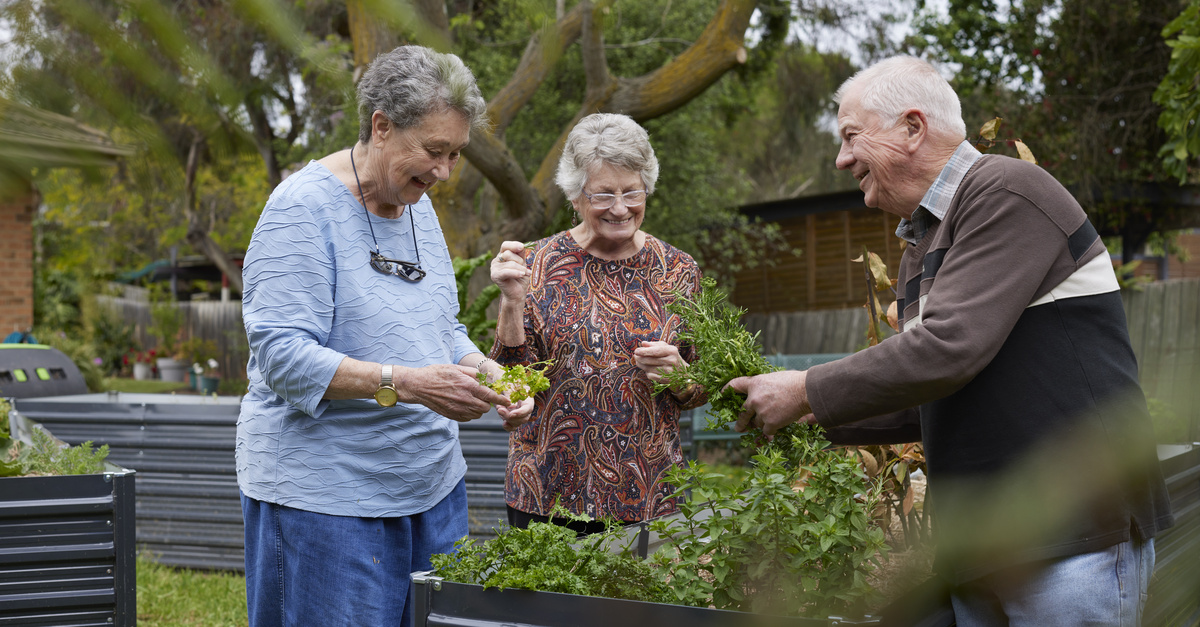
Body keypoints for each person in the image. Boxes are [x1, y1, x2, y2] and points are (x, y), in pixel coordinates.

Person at [728, 56, 1173, 626]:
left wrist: (808, 387)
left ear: (913, 128)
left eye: (850, 138)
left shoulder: (1006, 191)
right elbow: (934, 389)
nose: (840, 160)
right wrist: (807, 413)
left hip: (1073, 535)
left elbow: (947, 349)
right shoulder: (926, 240)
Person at [237, 45, 532, 627]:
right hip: (327, 501)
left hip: (432, 490)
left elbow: (438, 329)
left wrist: (488, 372)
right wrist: (406, 383)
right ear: (381, 126)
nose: (444, 172)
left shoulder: (416, 207)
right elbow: (282, 357)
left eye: (456, 154)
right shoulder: (301, 210)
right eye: (433, 151)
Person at [489, 113, 706, 535]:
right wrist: (511, 303)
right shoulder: (536, 264)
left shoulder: (678, 270)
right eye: (604, 195)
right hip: (546, 492)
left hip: (648, 493)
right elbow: (511, 374)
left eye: (632, 192)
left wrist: (681, 378)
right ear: (575, 195)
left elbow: (701, 384)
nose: (621, 208)